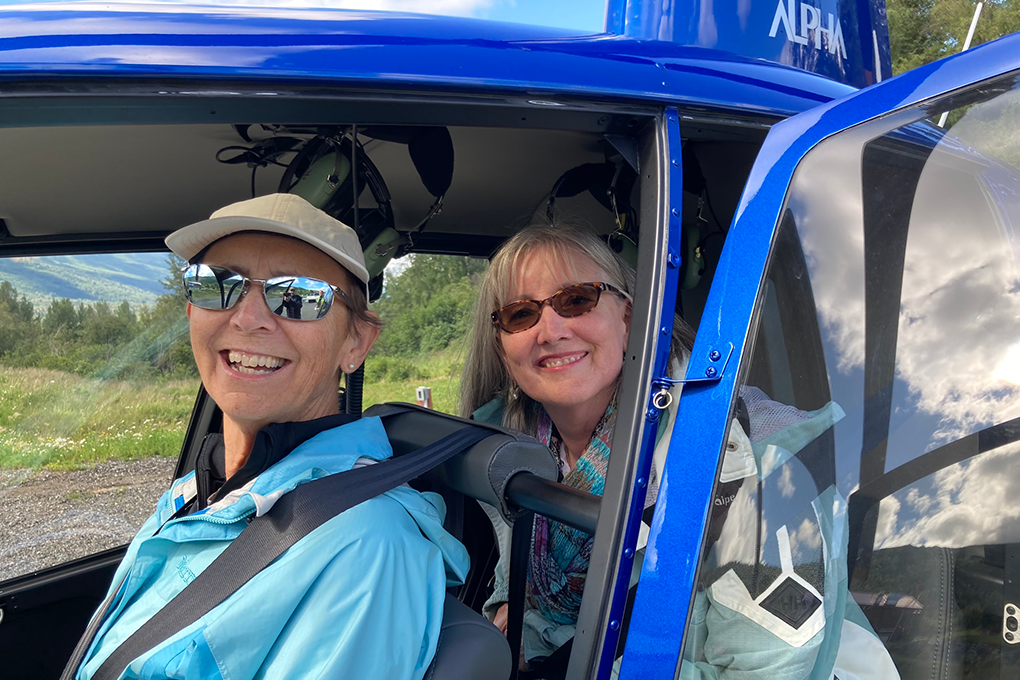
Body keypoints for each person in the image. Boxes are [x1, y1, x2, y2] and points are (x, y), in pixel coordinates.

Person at [460, 222, 899, 680]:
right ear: (502, 345)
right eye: (520, 314)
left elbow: (763, 673)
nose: (549, 331)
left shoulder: (752, 460)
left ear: (630, 318)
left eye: (576, 300)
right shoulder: (507, 451)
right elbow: (525, 578)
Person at [72, 193, 468, 680]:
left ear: (356, 343)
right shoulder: (198, 490)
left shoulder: (365, 545)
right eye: (217, 285)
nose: (247, 318)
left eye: (298, 296)